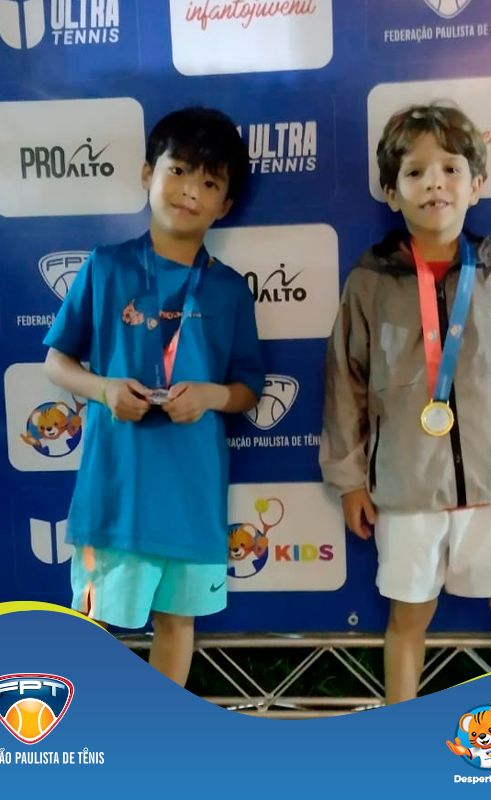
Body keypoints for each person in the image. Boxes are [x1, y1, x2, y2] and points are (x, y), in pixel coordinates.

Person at [319, 102, 491, 704]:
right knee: (407, 619)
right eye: (415, 172)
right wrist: (349, 480)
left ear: (476, 186)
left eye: (451, 169)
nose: (435, 183)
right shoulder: (369, 281)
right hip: (407, 486)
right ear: (391, 192)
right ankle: (404, 739)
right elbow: (346, 382)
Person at [43, 106, 264, 686]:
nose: (190, 191)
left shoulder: (229, 290)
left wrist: (211, 396)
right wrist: (105, 389)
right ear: (148, 174)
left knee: (177, 626)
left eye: (209, 183)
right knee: (93, 626)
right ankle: (89, 732)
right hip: (115, 494)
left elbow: (248, 390)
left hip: (192, 497)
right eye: (179, 171)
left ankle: (161, 735)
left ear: (225, 205)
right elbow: (56, 363)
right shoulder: (106, 267)